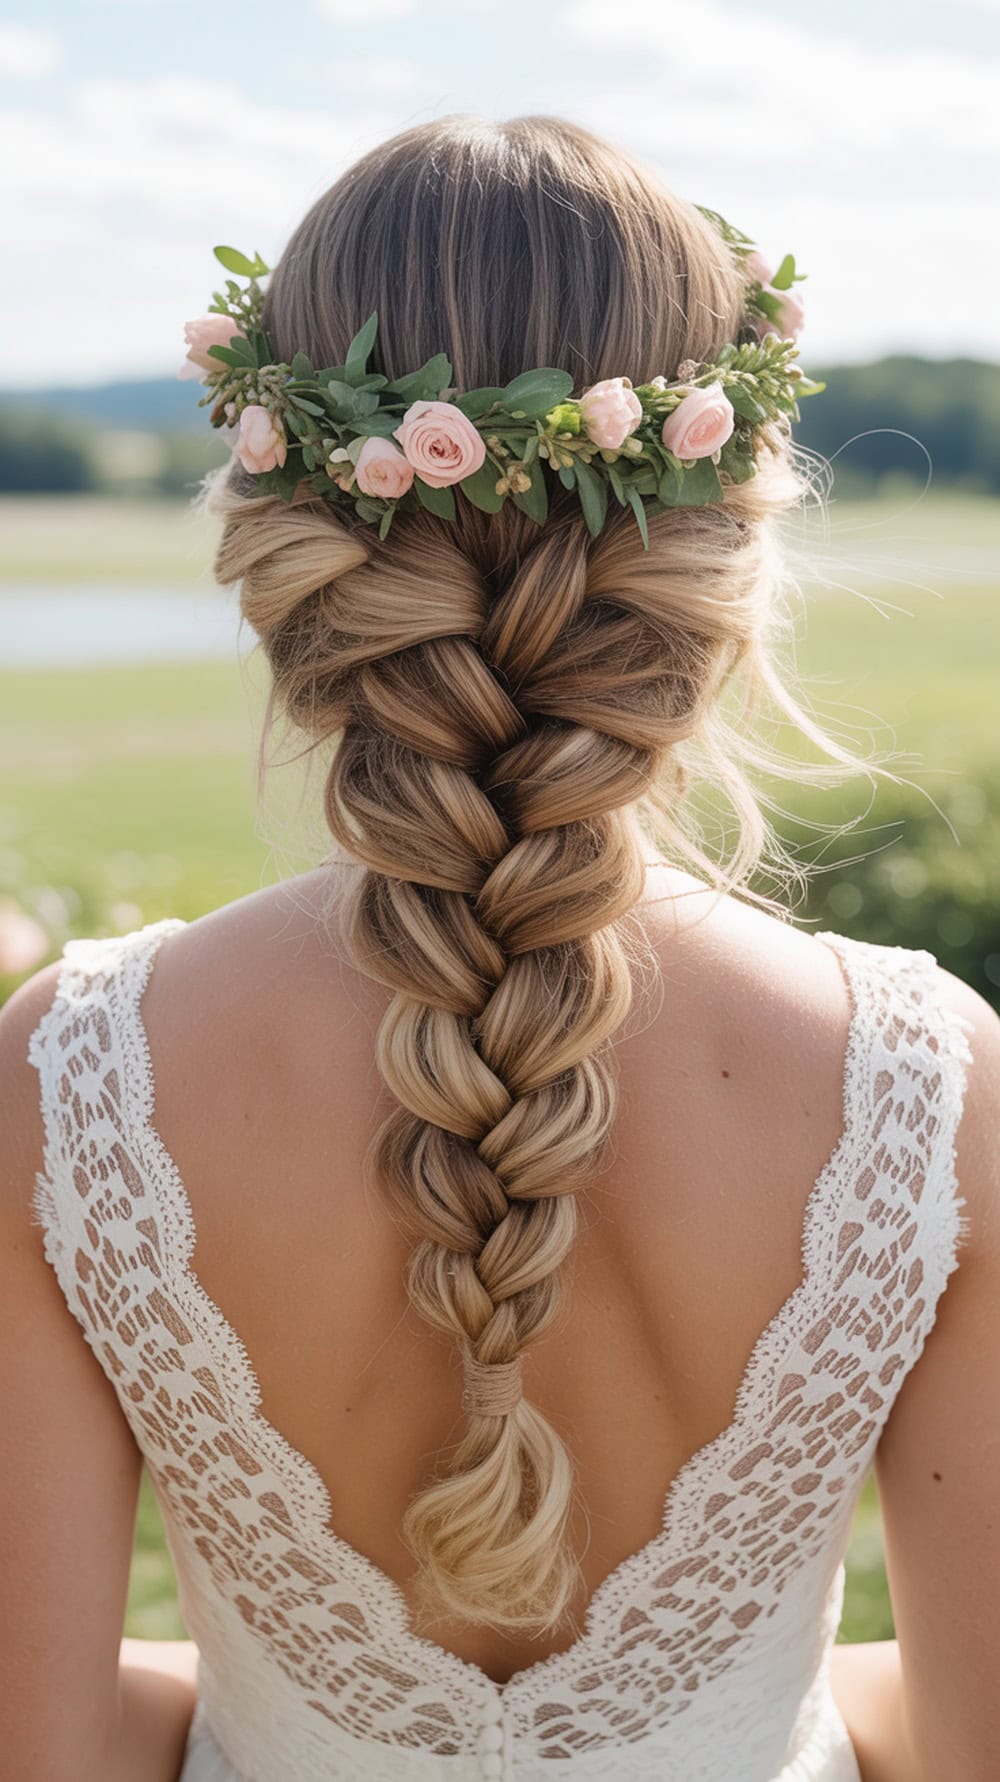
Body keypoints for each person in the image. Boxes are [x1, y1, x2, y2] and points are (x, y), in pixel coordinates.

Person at [1, 114, 997, 1782]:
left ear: (286, 539)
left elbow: (35, 1745)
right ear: (727, 541)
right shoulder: (927, 1085)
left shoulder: (78, 1069)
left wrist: (248, 1709)